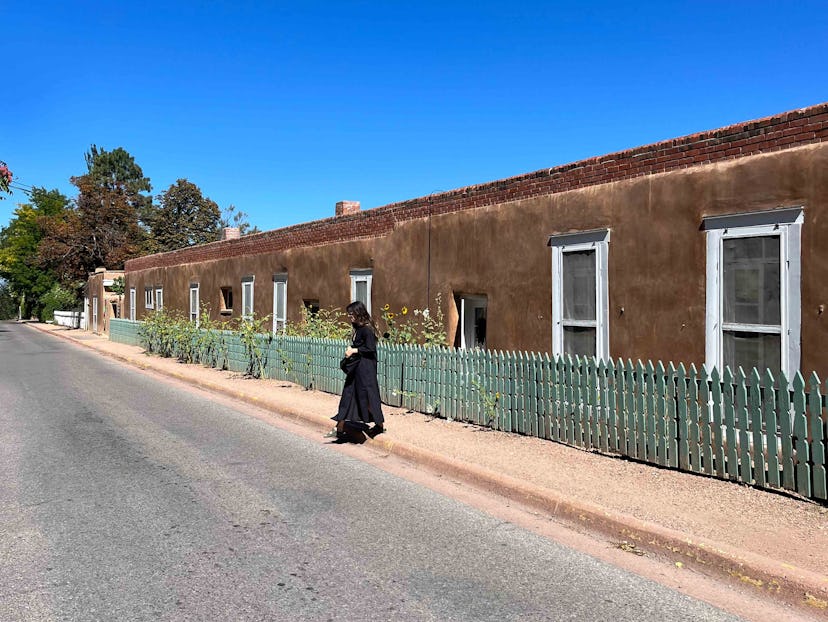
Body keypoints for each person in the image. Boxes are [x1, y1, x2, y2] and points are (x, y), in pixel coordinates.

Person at [326, 301, 385, 440]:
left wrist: (354, 350)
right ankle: (339, 427)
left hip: (366, 369)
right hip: (357, 368)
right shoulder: (357, 328)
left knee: (369, 396)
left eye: (351, 314)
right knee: (348, 394)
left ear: (359, 313)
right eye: (349, 314)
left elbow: (371, 349)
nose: (350, 316)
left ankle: (380, 425)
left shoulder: (367, 330)